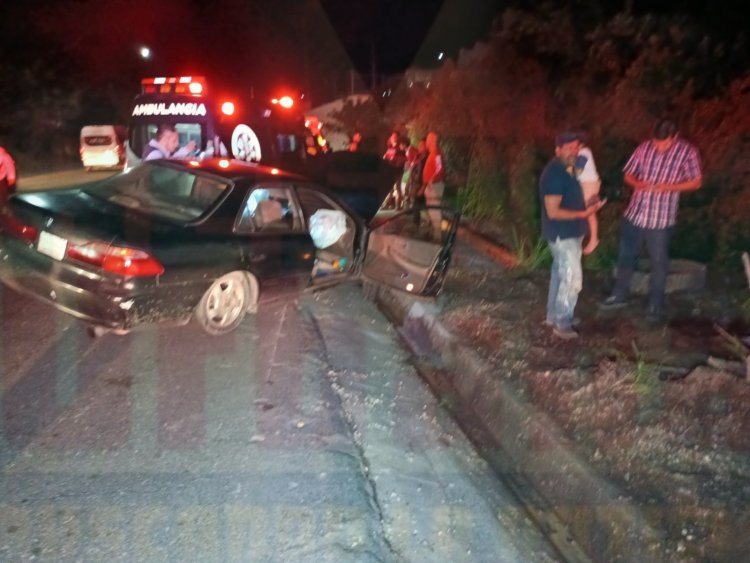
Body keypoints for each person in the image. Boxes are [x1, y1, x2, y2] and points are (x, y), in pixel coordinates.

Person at [600, 118, 702, 323]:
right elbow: (628, 174)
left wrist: (669, 187)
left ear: (675, 137)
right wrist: (638, 183)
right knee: (626, 256)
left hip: (661, 219)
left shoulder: (688, 152)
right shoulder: (644, 148)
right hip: (635, 214)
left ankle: (655, 304)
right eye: (656, 142)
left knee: (659, 262)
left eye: (664, 143)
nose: (659, 147)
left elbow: (696, 182)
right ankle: (620, 295)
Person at [541, 132, 606, 340]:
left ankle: (553, 316)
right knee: (572, 280)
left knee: (560, 275)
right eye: (569, 147)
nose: (574, 151)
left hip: (571, 233)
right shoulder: (554, 174)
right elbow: (553, 211)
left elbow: (576, 196)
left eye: (576, 147)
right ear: (557, 149)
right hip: (563, 235)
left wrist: (590, 205)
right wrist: (583, 214)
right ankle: (563, 323)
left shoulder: (568, 170)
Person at [573, 139, 602, 255]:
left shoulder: (584, 152)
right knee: (586, 212)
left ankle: (594, 239)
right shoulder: (581, 153)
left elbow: (578, 170)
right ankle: (586, 237)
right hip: (588, 184)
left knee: (590, 213)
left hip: (589, 184)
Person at [419, 131, 445, 238]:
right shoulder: (433, 153)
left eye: (429, 140)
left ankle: (437, 236)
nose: (427, 142)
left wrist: (432, 180)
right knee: (431, 210)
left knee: (435, 211)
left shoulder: (436, 153)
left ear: (433, 141)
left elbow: (439, 169)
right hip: (430, 186)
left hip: (434, 186)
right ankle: (434, 233)